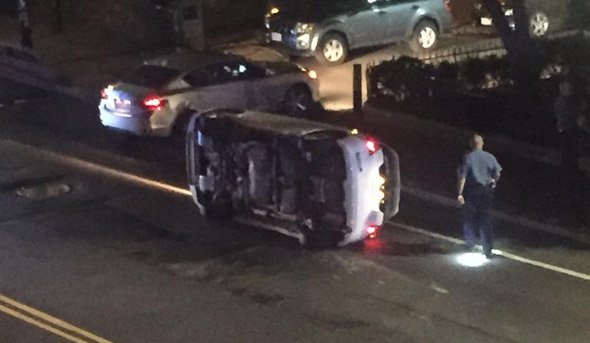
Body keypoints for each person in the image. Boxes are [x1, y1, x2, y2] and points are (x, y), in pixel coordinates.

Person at [457, 134, 502, 259]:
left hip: (472, 191)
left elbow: (463, 176)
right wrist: (493, 181)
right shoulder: (490, 157)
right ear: (482, 144)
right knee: (485, 218)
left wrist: (460, 193)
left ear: (471, 144)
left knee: (469, 217)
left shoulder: (468, 158)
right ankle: (487, 249)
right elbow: (497, 173)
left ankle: (471, 243)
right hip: (486, 191)